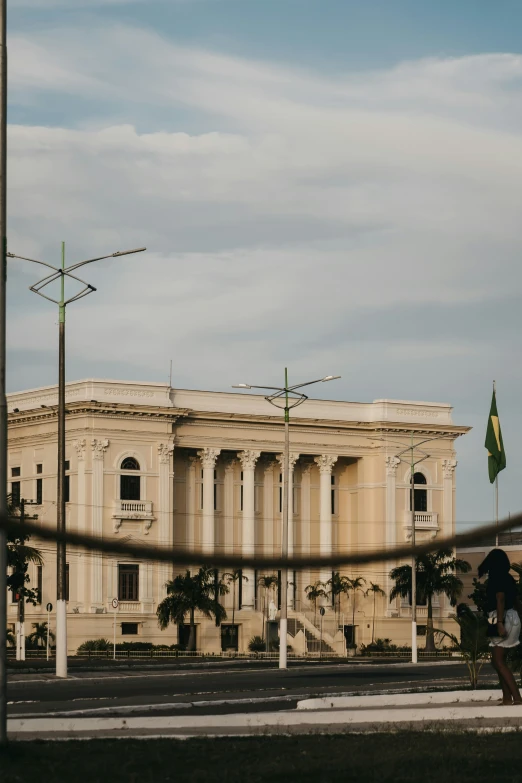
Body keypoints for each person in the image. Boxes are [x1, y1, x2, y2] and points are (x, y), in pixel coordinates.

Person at [478, 548, 522, 705]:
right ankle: (507, 698)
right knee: (498, 661)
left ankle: (516, 698)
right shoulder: (508, 578)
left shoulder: (496, 578)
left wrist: (500, 623)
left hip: (501, 618)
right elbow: (516, 600)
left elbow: (500, 598)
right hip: (513, 617)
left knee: (498, 661)